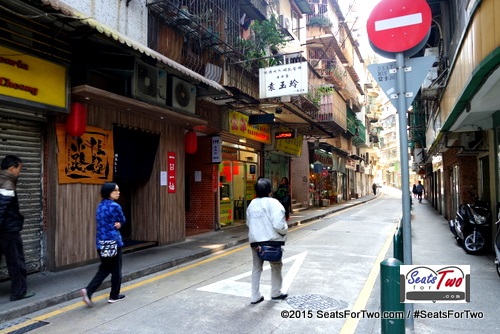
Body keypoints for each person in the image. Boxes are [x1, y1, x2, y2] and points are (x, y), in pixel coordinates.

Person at [80, 182, 126, 307]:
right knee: (116, 269)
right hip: (113, 242)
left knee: (105, 268)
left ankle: (88, 291)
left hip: (101, 243)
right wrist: (119, 224)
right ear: (109, 192)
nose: (118, 192)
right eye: (115, 190)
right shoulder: (115, 206)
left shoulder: (100, 206)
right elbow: (122, 219)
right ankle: (113, 295)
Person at [246, 178, 288, 304]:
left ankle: (255, 296)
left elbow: (249, 222)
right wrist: (284, 231)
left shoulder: (252, 204)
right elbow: (279, 224)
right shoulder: (273, 203)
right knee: (276, 265)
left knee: (256, 268)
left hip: (255, 242)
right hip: (271, 241)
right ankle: (275, 293)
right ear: (270, 190)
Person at [0, 155, 35, 301]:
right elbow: (1, 208)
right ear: (11, 168)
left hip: (5, 229)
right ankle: (19, 292)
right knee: (16, 262)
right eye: (19, 169)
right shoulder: (7, 183)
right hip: (8, 230)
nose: (20, 172)